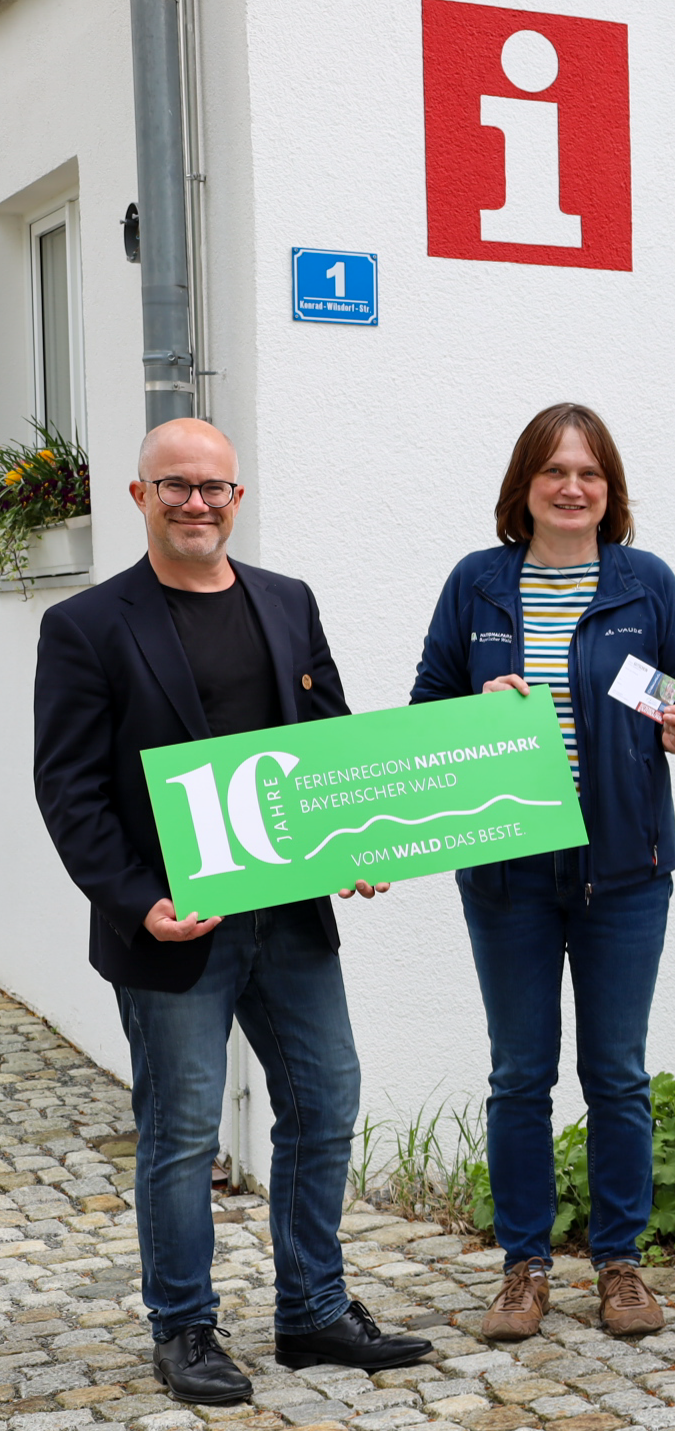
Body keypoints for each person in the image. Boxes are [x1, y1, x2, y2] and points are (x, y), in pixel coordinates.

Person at [32, 419, 430, 1404]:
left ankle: (313, 1310)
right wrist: (139, 902)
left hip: (290, 916)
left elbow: (330, 742)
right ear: (139, 496)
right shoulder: (87, 625)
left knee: (325, 1101)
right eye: (174, 485)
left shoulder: (287, 601)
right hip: (179, 924)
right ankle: (183, 1327)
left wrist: (354, 841)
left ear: (237, 498)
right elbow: (69, 789)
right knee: (181, 1130)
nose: (196, 503)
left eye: (213, 487)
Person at [410, 403, 675, 1340]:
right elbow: (425, 709)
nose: (571, 488)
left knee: (616, 1074)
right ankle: (524, 1266)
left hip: (624, 873)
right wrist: (476, 703)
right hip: (507, 876)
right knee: (519, 1075)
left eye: (588, 472)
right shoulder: (478, 584)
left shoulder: (644, 584)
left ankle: (619, 1263)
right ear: (525, 486)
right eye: (553, 471)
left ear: (608, 489)